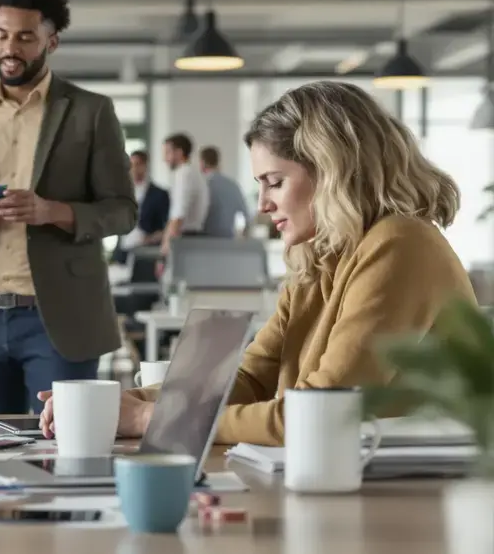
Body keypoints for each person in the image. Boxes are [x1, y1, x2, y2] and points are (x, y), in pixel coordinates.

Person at [39, 80, 477, 447]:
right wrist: (109, 402)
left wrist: (149, 419)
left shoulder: (400, 245)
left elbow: (320, 413)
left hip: (406, 500)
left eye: (275, 182)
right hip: (335, 476)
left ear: (333, 171)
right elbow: (250, 378)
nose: (263, 204)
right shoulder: (321, 256)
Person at [0, 0, 137, 415]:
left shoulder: (90, 112)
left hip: (58, 319)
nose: (10, 48)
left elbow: (122, 212)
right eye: (1, 35)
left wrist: (51, 211)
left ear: (51, 41)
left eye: (25, 37)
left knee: (62, 452)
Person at [111, 149, 170, 264]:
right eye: (131, 165)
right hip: (122, 252)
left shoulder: (159, 194)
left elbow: (166, 227)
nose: (133, 169)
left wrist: (150, 239)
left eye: (137, 164)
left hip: (146, 253)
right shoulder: (121, 193)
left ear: (145, 166)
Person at [159, 132, 210, 255]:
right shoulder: (191, 172)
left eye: (167, 153)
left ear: (179, 152)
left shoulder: (184, 174)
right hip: (190, 238)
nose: (164, 159)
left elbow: (178, 215)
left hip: (185, 239)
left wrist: (164, 250)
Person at [199, 146, 251, 238]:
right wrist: (244, 235)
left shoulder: (202, 185)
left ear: (202, 163)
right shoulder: (233, 185)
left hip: (203, 241)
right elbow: (247, 215)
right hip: (227, 242)